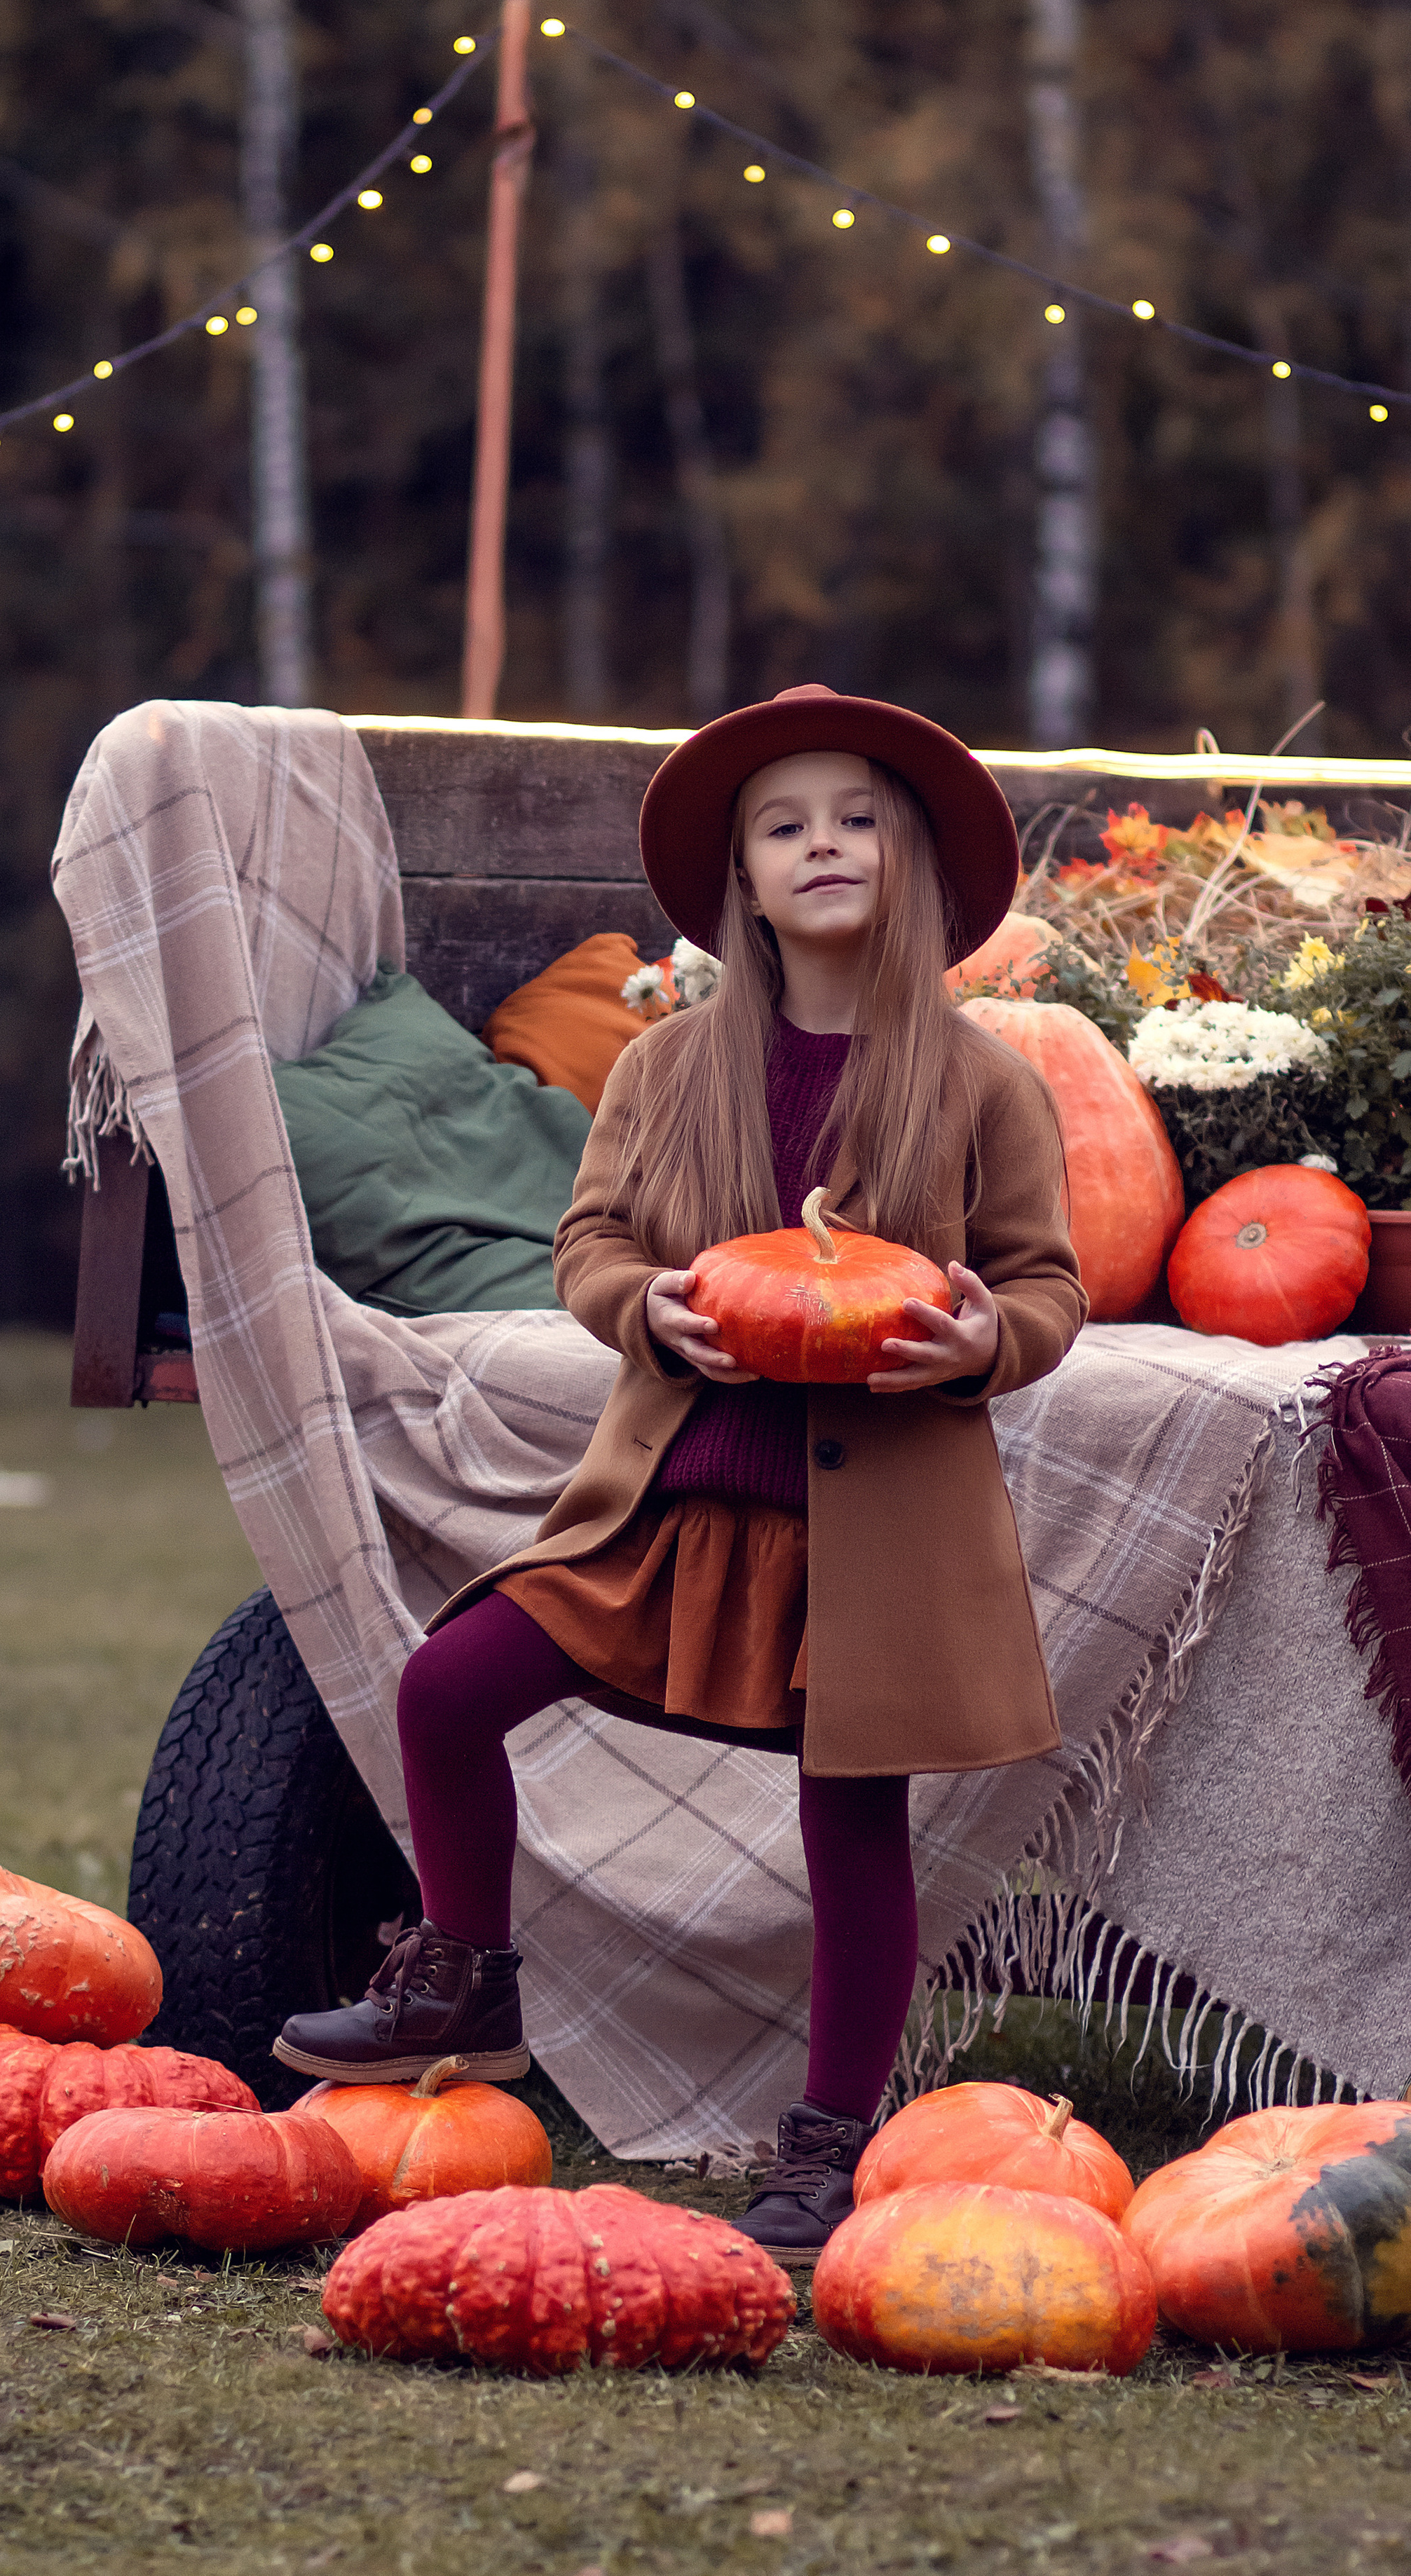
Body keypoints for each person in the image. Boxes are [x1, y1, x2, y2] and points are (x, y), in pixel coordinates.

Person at [273, 684, 1087, 2264]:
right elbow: (588, 1245)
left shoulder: (985, 1081)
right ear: (744, 881)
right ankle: (464, 1977)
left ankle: (825, 2140)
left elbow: (1047, 1289)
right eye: (784, 827)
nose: (822, 846)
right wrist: (634, 1305)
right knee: (448, 1688)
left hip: (871, 1531)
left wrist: (982, 1339)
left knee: (850, 1828)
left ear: (909, 861)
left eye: (855, 818)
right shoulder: (663, 1069)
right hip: (679, 1499)